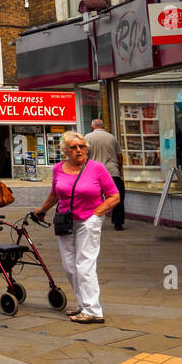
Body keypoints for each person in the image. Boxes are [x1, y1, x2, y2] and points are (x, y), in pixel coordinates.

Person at [33, 130, 118, 324]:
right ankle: (83, 305)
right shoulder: (58, 169)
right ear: (65, 151)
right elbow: (55, 194)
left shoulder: (96, 168)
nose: (79, 150)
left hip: (89, 220)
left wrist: (97, 214)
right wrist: (42, 209)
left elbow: (114, 196)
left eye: (82, 147)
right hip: (66, 220)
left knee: (85, 265)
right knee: (70, 267)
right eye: (74, 147)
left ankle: (93, 310)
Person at [85, 119, 125, 231]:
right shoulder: (112, 137)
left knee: (93, 199)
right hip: (112, 172)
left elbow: (84, 157)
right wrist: (119, 169)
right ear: (103, 127)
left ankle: (92, 220)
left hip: (94, 173)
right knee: (116, 198)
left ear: (92, 127)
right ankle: (118, 223)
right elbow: (119, 156)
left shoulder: (88, 138)